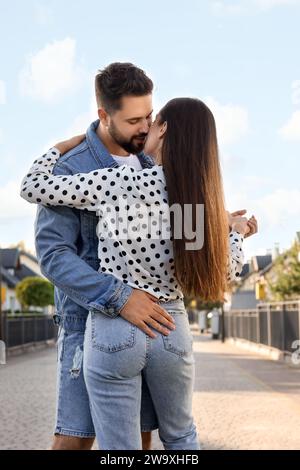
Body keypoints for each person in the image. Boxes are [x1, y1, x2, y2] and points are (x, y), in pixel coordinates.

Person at [21, 97, 257, 449]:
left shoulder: (118, 182)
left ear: (163, 130)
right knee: (182, 439)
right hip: (170, 329)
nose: (146, 126)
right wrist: (235, 232)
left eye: (153, 119)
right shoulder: (192, 204)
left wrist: (61, 147)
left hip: (115, 328)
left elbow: (33, 186)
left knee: (121, 450)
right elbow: (227, 269)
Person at [32, 62, 176, 451]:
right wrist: (120, 297)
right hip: (87, 322)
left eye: (149, 115)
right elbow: (53, 256)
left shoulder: (153, 160)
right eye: (133, 120)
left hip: (150, 322)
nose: (145, 127)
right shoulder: (70, 168)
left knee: (140, 439)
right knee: (75, 440)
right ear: (104, 115)